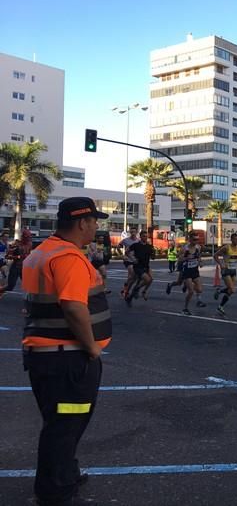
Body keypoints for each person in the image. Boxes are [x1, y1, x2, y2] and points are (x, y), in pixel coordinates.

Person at [21, 197, 111, 506]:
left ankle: (65, 473)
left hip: (43, 354)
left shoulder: (41, 252)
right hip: (67, 357)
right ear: (82, 222)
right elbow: (74, 308)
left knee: (59, 422)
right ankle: (54, 491)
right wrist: (92, 348)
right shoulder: (68, 257)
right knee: (66, 424)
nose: (96, 226)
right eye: (94, 221)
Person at [167, 231, 206, 315]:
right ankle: (185, 308)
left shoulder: (198, 247)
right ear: (190, 239)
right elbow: (179, 258)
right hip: (186, 271)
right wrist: (186, 258)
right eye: (194, 239)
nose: (196, 241)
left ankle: (198, 301)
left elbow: (199, 256)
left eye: (197, 239)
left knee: (199, 289)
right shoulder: (185, 248)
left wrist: (200, 262)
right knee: (190, 290)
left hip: (195, 270)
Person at [213, 232, 237, 316]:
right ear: (231, 239)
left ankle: (219, 291)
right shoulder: (226, 248)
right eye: (235, 239)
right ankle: (220, 307)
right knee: (232, 289)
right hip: (226, 270)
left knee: (230, 290)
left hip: (233, 271)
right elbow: (215, 255)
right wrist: (221, 264)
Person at [124, 230, 155, 305]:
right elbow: (127, 252)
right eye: (144, 236)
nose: (145, 237)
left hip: (146, 266)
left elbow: (153, 257)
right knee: (147, 279)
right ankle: (136, 289)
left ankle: (130, 297)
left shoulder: (149, 246)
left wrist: (153, 252)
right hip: (138, 266)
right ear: (140, 237)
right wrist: (133, 259)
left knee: (149, 280)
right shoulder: (136, 245)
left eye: (146, 236)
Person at [0, 228, 33, 296]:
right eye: (27, 237)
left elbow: (29, 254)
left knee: (29, 285)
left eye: (29, 237)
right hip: (15, 267)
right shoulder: (16, 244)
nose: (28, 239)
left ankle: (31, 300)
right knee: (10, 286)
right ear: (23, 237)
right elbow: (7, 256)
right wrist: (17, 257)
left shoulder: (30, 244)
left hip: (24, 268)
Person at [118, 228, 139, 298]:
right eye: (132, 232)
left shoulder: (138, 241)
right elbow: (118, 247)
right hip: (128, 260)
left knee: (132, 277)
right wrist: (122, 255)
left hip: (135, 260)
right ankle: (126, 291)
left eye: (134, 232)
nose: (133, 233)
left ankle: (125, 290)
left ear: (136, 232)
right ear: (130, 232)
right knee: (132, 273)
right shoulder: (125, 240)